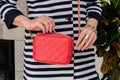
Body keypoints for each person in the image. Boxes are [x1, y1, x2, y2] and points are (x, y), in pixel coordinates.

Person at [0, 0, 102, 80]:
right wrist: (27, 22)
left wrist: (91, 25)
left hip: (82, 63)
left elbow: (94, 2)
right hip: (42, 68)